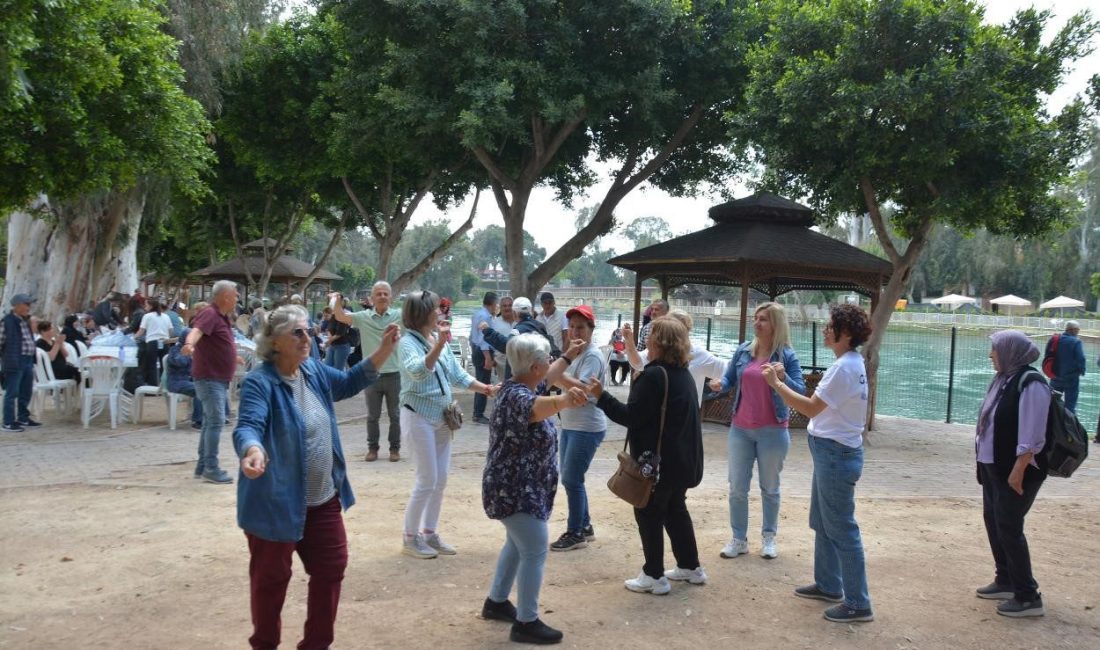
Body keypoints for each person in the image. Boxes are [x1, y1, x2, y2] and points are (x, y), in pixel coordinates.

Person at [234, 304, 400, 650]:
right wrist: (252, 450)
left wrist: (384, 350)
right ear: (275, 342)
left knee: (331, 567)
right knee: (271, 582)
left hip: (322, 498)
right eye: (298, 332)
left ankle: (316, 644)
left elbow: (351, 381)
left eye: (309, 330)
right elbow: (248, 425)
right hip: (276, 503)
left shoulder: (312, 370)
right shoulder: (259, 382)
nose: (307, 337)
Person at [762, 304, 874, 623]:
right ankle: (828, 584)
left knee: (841, 527)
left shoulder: (844, 368)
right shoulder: (850, 363)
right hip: (833, 452)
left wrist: (777, 384)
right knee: (824, 523)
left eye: (831, 326)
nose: (826, 330)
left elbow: (810, 409)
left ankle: (858, 602)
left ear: (846, 333)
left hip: (835, 455)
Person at [481, 334, 587, 645]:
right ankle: (526, 622)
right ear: (535, 366)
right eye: (546, 361)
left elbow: (548, 379)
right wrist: (567, 399)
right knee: (535, 548)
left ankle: (497, 602)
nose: (548, 367)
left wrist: (568, 355)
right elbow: (538, 407)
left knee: (517, 546)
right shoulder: (518, 397)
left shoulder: (520, 383)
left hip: (517, 487)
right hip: (514, 489)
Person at [589, 317, 705, 595]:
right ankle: (690, 566)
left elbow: (630, 416)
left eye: (650, 335)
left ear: (657, 342)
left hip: (658, 464)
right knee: (675, 510)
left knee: (649, 511)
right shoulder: (683, 373)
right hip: (683, 461)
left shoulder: (654, 375)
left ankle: (654, 575)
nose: (646, 340)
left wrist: (601, 395)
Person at [397, 290, 497, 559]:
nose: (439, 311)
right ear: (423, 313)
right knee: (427, 479)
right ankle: (410, 537)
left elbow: (457, 374)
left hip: (442, 418)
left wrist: (485, 388)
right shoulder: (408, 343)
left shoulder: (433, 337)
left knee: (439, 480)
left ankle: (429, 533)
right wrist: (440, 344)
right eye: (434, 308)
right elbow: (418, 372)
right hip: (418, 416)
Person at [707, 302, 803, 560]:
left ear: (776, 325)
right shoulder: (743, 351)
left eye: (763, 319)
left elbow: (801, 392)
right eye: (755, 318)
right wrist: (720, 384)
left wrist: (783, 379)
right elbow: (730, 379)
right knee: (737, 487)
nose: (757, 323)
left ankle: (769, 538)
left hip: (773, 430)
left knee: (769, 488)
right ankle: (739, 539)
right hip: (740, 429)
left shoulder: (787, 356)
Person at [970, 330, 1050, 618]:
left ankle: (1028, 596)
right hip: (994, 467)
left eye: (995, 349)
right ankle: (1005, 579)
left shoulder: (1032, 384)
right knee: (994, 521)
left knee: (1009, 528)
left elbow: (1032, 434)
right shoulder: (1004, 380)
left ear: (1010, 352)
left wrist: (1018, 471)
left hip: (1017, 471)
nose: (991, 355)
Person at [549, 305, 609, 552]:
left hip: (587, 426)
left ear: (591, 330)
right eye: (572, 327)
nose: (575, 332)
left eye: (581, 327)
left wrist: (556, 373)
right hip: (571, 424)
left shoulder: (592, 355)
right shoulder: (573, 354)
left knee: (572, 479)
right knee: (571, 478)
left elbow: (583, 392)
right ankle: (584, 525)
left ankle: (575, 532)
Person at [332, 281, 402, 462]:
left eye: (386, 294)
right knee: (373, 416)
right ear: (372, 298)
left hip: (394, 373)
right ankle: (373, 448)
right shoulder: (363, 317)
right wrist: (336, 300)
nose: (382, 297)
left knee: (395, 415)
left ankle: (395, 449)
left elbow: (419, 318)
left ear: (391, 298)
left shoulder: (399, 315)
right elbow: (340, 316)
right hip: (371, 375)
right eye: (378, 294)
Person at [182, 280, 241, 484]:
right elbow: (196, 331)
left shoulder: (221, 317)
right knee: (216, 421)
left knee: (209, 422)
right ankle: (211, 467)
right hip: (210, 378)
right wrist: (189, 344)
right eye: (235, 294)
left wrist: (232, 356)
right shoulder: (210, 313)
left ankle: (202, 465)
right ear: (225, 296)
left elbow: (216, 343)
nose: (237, 298)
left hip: (215, 378)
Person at [626, 309, 728, 407]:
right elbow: (638, 363)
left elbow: (726, 368)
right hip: (658, 415)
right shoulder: (657, 351)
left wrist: (722, 381)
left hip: (684, 416)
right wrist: (629, 342)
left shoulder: (698, 354)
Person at [481, 297, 560, 379]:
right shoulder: (540, 326)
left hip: (521, 377)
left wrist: (487, 331)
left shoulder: (517, 331)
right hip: (538, 375)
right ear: (531, 311)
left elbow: (507, 346)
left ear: (514, 313)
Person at [1, 294, 40, 432]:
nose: (29, 307)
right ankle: (8, 422)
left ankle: (23, 418)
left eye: (29, 304)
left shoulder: (25, 320)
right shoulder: (7, 321)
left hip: (28, 360)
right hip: (15, 360)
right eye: (26, 304)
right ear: (17, 305)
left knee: (26, 391)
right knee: (12, 392)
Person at [469, 292, 499, 425]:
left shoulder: (477, 314)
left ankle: (478, 412)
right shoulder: (485, 316)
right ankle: (478, 413)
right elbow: (484, 340)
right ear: (493, 304)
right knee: (483, 382)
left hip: (477, 350)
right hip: (483, 352)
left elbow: (472, 336)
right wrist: (488, 357)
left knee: (481, 380)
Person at [1047, 320, 1086, 412]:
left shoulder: (1054, 339)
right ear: (1073, 330)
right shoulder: (1076, 342)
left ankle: (1051, 423)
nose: (1078, 332)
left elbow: (1047, 356)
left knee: (1052, 403)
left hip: (1055, 377)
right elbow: (1081, 359)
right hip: (1071, 378)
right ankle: (1068, 425)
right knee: (1070, 406)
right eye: (1078, 330)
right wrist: (1082, 371)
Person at [135, 298, 174, 386]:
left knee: (151, 365)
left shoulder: (147, 316)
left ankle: (153, 386)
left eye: (146, 305)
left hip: (152, 342)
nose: (145, 307)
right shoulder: (166, 316)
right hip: (165, 342)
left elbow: (141, 331)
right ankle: (164, 385)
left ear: (151, 306)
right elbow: (171, 331)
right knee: (164, 365)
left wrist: (134, 338)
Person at [489, 295, 517, 380]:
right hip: (501, 362)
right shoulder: (494, 323)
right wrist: (491, 358)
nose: (507, 308)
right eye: (504, 306)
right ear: (500, 308)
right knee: (504, 386)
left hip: (519, 361)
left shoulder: (519, 321)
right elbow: (489, 342)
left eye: (510, 305)